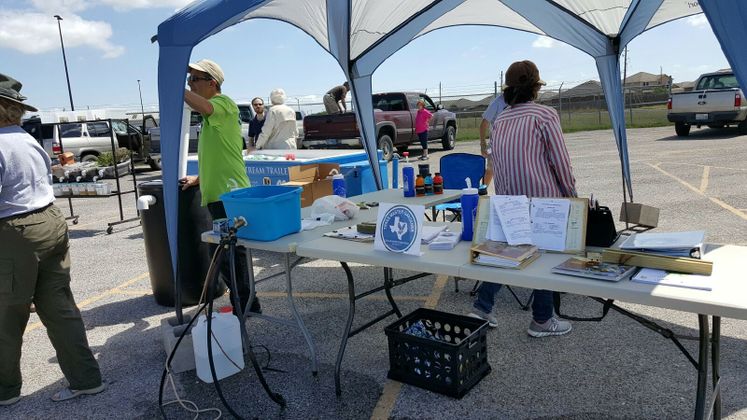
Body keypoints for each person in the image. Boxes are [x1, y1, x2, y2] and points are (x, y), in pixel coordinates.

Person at [0, 73, 105, 406]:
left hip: (15, 230)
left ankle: (5, 391)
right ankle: (86, 378)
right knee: (59, 305)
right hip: (49, 220)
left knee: (6, 315)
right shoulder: (25, 138)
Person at [468, 60, 577, 338]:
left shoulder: (501, 119)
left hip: (510, 201)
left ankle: (482, 307)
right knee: (544, 260)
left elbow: (497, 163)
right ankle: (542, 320)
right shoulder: (545, 115)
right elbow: (560, 163)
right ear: (535, 87)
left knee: (508, 256)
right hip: (543, 201)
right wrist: (571, 197)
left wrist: (506, 201)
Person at [179, 59, 259, 315]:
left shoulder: (224, 105)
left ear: (211, 83)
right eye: (189, 80)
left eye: (194, 80)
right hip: (220, 193)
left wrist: (175, 86)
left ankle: (244, 305)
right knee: (227, 253)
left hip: (229, 194)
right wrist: (198, 179)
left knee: (230, 253)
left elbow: (201, 105)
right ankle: (244, 303)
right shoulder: (211, 117)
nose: (190, 84)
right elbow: (218, 156)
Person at [479, 93, 507, 186]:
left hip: (513, 143)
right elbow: (484, 123)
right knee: (491, 168)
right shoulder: (498, 101)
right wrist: (483, 145)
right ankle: (483, 191)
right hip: (495, 144)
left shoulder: (521, 101)